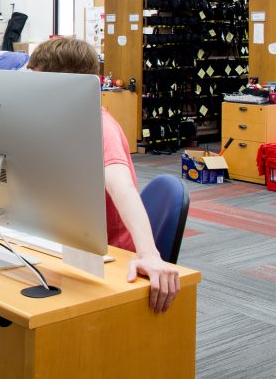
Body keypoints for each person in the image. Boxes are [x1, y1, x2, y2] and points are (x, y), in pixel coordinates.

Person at [25, 37, 181, 312]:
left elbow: (123, 188)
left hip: (106, 257)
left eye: (35, 78)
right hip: (67, 242)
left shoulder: (99, 127)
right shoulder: (56, 120)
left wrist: (149, 253)